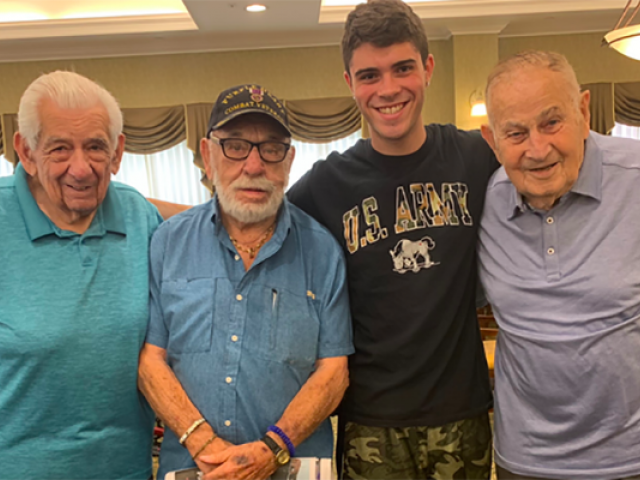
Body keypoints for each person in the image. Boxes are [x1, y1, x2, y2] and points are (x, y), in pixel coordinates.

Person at [287, 1, 498, 478]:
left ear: (427, 68)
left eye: (402, 68)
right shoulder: (326, 184)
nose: (387, 89)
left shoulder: (474, 157)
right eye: (369, 75)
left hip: (462, 414)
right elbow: (247, 219)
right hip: (370, 421)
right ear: (349, 83)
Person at [138, 84, 354, 480]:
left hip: (295, 465)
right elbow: (150, 361)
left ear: (289, 161)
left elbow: (333, 371)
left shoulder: (323, 252)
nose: (254, 166)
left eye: (271, 149)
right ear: (207, 154)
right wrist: (204, 443)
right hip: (192, 466)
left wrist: (273, 448)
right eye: (235, 146)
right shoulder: (167, 243)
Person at [478, 50, 640, 480]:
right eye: (515, 133)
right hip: (524, 461)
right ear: (491, 142)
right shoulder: (484, 204)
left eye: (552, 122)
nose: (537, 148)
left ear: (584, 111)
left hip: (631, 459)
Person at [0, 71, 161, 479]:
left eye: (95, 147)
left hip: (128, 470)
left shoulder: (140, 217)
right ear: (26, 151)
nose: (81, 168)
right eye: (59, 149)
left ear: (118, 152)